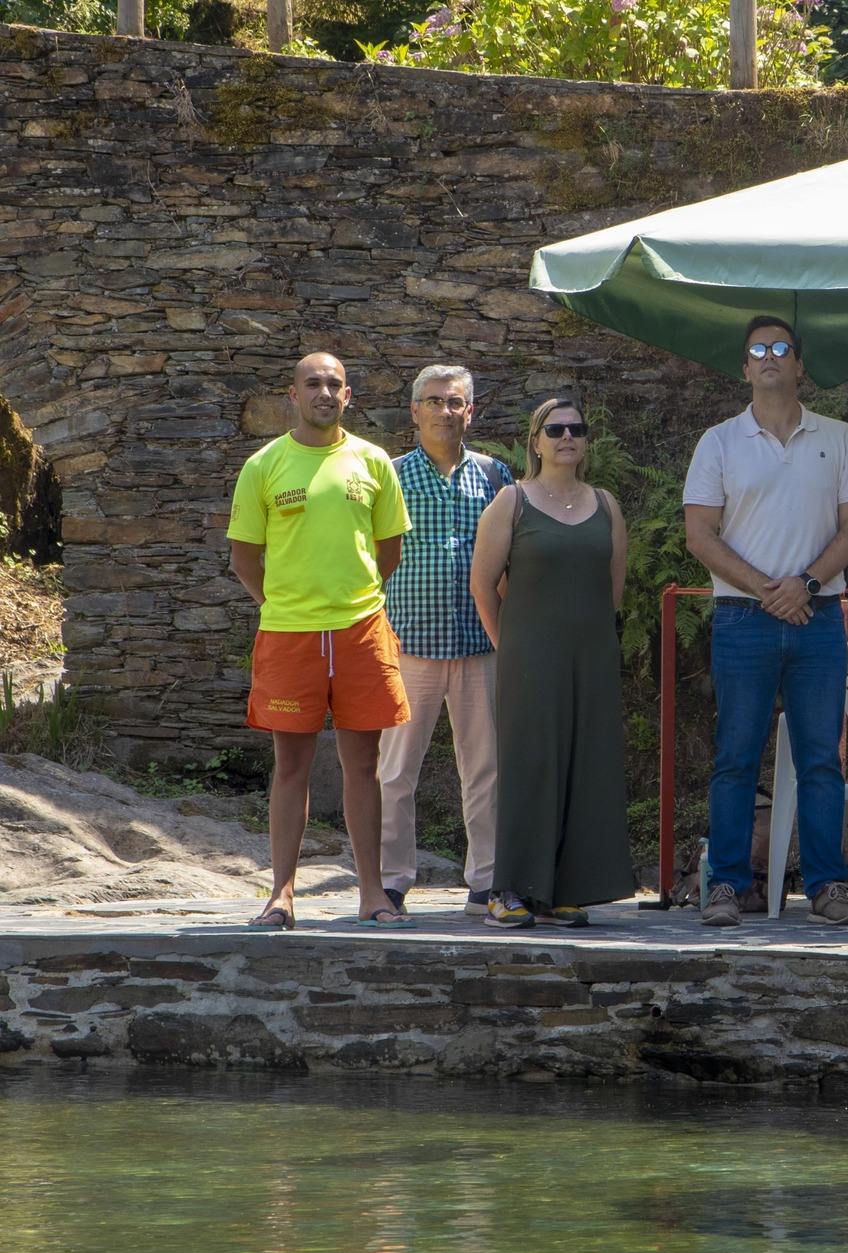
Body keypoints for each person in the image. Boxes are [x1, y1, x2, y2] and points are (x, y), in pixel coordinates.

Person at [682, 315, 848, 929]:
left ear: (799, 364)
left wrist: (807, 585)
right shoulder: (718, 442)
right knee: (736, 757)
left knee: (822, 757)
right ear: (745, 367)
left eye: (780, 348)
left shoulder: (839, 437)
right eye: (757, 350)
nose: (768, 357)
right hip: (743, 618)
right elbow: (700, 534)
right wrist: (768, 589)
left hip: (818, 618)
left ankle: (827, 886)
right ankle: (726, 887)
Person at [226, 351, 413, 930]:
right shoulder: (264, 465)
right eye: (313, 383)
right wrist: (284, 606)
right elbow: (243, 558)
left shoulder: (373, 461)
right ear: (293, 393)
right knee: (291, 767)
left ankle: (372, 895)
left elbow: (389, 552)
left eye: (334, 384)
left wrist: (346, 601)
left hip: (362, 631)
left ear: (348, 395)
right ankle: (280, 894)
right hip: (289, 636)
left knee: (364, 765)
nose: (324, 393)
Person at [469, 398, 635, 927]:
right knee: (529, 765)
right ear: (535, 441)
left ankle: (565, 890)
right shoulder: (511, 501)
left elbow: (613, 589)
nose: (567, 437)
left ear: (586, 442)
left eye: (576, 429)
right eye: (555, 429)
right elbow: (483, 582)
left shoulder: (606, 505)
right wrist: (509, 641)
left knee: (585, 766)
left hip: (591, 655)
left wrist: (586, 640)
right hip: (528, 656)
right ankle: (509, 888)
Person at [376, 364, 514, 918]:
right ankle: (391, 881)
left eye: (454, 402)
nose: (444, 411)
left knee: (486, 768)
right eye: (433, 402)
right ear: (414, 411)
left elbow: (512, 559)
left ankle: (486, 880)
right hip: (408, 642)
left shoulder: (495, 474)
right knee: (395, 771)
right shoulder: (388, 475)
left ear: (470, 411)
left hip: (480, 642)